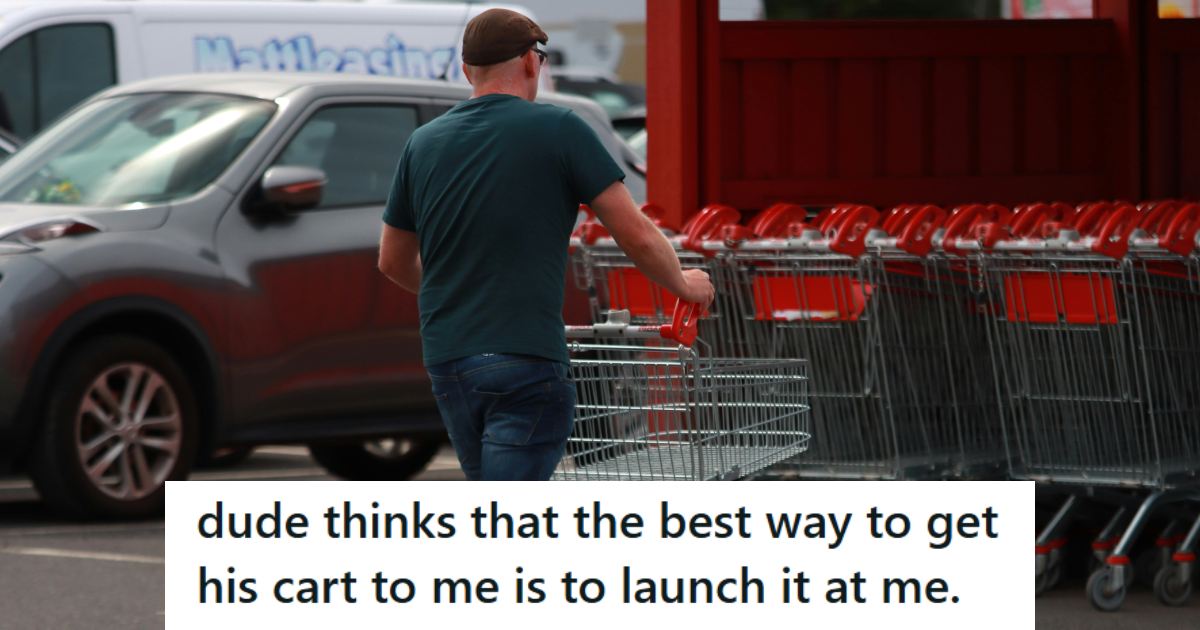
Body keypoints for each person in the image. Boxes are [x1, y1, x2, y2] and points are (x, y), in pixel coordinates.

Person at [377, 8, 714, 481]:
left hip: (449, 359)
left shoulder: (422, 143)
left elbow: (392, 260)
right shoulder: (560, 128)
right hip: (526, 357)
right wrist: (684, 283)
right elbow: (635, 233)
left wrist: (457, 294)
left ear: (467, 70)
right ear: (531, 61)